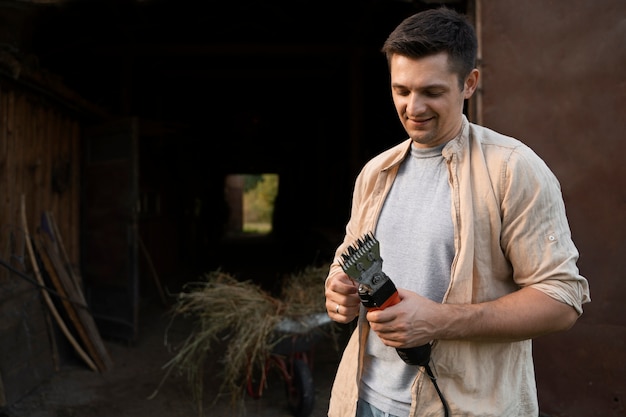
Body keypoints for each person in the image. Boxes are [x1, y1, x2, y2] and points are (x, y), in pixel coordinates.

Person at [324, 6, 591, 417]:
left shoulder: (511, 169)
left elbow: (560, 300)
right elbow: (348, 260)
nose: (413, 107)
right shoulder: (375, 173)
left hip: (466, 407)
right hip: (363, 400)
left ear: (469, 83)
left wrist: (439, 320)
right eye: (401, 90)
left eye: (431, 92)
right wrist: (338, 291)